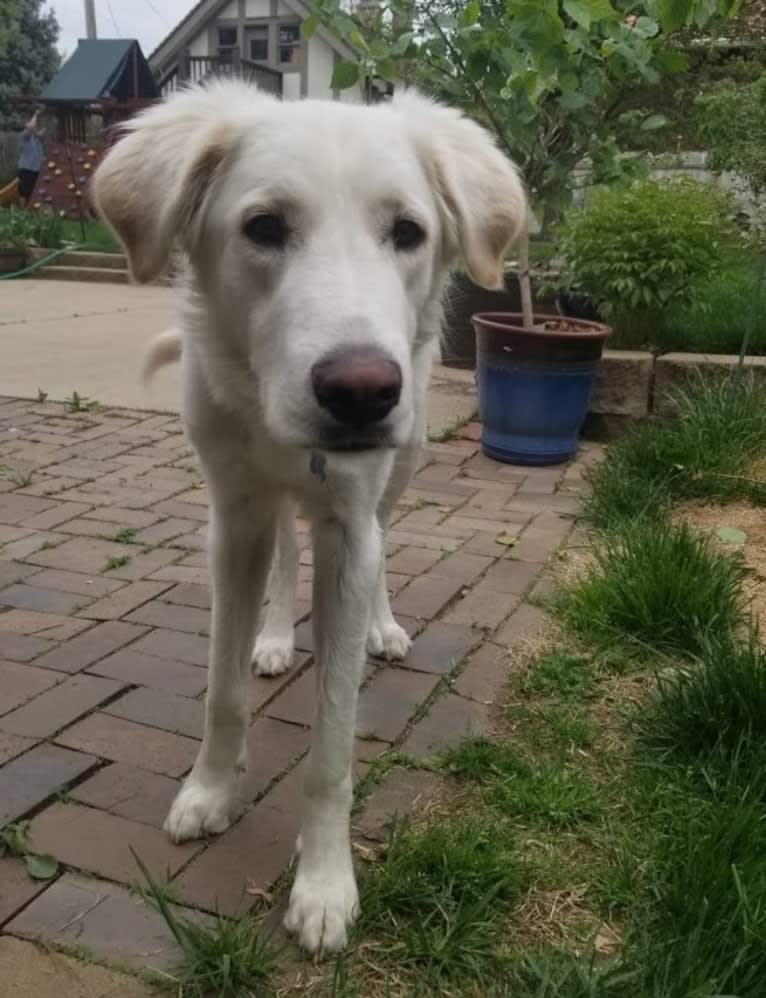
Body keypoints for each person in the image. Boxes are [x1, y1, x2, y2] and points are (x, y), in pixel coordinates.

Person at [17, 109, 44, 207]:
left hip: (36, 169)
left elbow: (41, 131)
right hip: (26, 169)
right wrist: (36, 114)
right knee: (24, 192)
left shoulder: (38, 138)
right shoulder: (24, 136)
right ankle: (23, 211)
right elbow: (31, 127)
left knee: (34, 191)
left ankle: (30, 210)